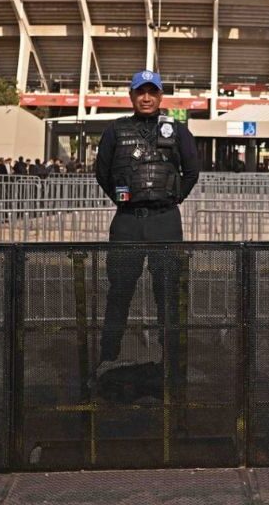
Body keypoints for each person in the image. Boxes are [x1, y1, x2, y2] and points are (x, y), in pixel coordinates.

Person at [93, 70, 199, 381]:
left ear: (161, 96)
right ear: (132, 96)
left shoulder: (178, 131)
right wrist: (123, 199)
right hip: (127, 223)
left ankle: (172, 362)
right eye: (141, 92)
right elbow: (103, 173)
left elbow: (192, 170)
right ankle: (108, 357)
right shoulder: (115, 131)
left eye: (153, 92)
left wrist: (174, 197)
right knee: (119, 292)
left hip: (165, 221)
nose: (147, 97)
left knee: (167, 293)